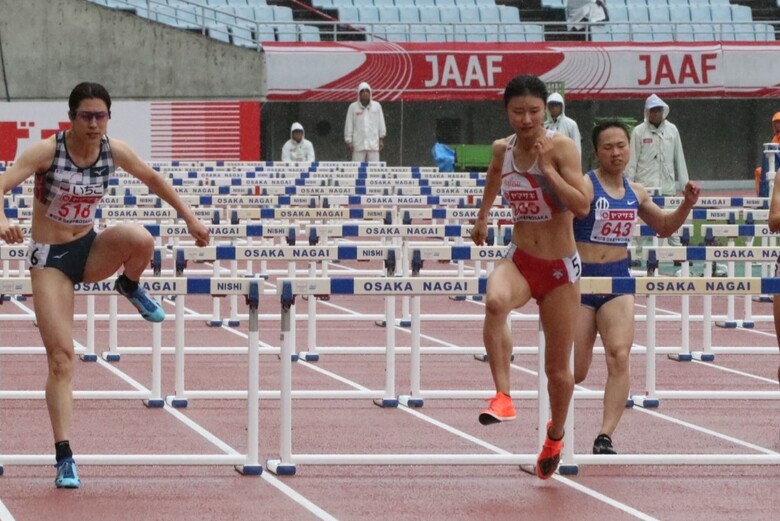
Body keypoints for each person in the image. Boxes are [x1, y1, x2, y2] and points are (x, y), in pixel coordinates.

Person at [0, 82, 210, 489]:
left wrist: (189, 217)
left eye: (101, 116)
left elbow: (152, 178)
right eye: (86, 116)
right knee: (62, 359)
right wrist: (2, 221)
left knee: (141, 239)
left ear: (108, 117)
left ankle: (129, 285)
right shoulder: (49, 150)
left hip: (90, 249)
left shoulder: (114, 151)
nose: (94, 124)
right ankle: (64, 456)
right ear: (72, 117)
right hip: (51, 261)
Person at [470, 74, 590, 480]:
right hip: (521, 258)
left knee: (559, 371)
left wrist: (548, 170)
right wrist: (484, 217)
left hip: (559, 271)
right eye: (518, 112)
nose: (526, 120)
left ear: (547, 110)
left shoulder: (562, 148)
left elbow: (583, 206)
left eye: (534, 112)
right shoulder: (501, 149)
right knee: (494, 302)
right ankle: (503, 395)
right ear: (506, 112)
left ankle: (554, 436)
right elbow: (491, 177)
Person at [573, 120, 700, 455]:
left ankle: (605, 436)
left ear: (630, 148)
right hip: (581, 282)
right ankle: (554, 424)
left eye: (621, 146)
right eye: (608, 147)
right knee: (575, 371)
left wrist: (686, 204)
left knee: (620, 355)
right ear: (596, 152)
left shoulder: (636, 192)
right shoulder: (585, 186)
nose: (616, 153)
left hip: (618, 280)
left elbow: (663, 227)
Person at [344, 82, 386, 162]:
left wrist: (381, 139)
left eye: (367, 91)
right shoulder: (353, 107)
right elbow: (349, 124)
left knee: (374, 171)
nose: (365, 93)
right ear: (359, 94)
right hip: (358, 145)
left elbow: (381, 123)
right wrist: (349, 141)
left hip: (373, 144)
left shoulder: (377, 106)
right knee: (356, 170)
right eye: (362, 91)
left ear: (370, 93)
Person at [544, 92, 582, 158]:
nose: (554, 108)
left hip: (566, 160)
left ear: (562, 106)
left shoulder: (571, 124)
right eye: (552, 105)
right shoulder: (545, 125)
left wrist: (576, 166)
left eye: (557, 105)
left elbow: (577, 147)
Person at [753, 112, 780, 196]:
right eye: (776, 123)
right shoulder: (775, 138)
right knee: (759, 172)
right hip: (775, 165)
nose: (778, 125)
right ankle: (762, 198)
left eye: (779, 122)